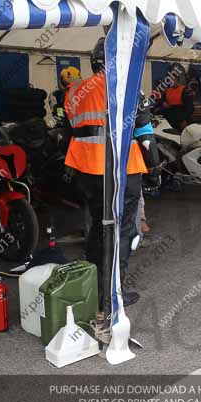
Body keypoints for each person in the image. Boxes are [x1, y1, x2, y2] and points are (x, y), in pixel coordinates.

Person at [65, 39, 155, 340]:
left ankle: (95, 287)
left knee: (97, 228)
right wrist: (152, 164)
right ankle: (112, 295)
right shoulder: (126, 87)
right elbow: (144, 134)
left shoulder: (76, 90)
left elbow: (74, 126)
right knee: (123, 229)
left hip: (85, 169)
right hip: (121, 169)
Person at [158, 65, 193, 130]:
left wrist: (184, 120)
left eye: (172, 80)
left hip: (180, 116)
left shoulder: (184, 90)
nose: (170, 81)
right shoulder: (168, 90)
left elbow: (190, 108)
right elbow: (161, 100)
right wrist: (163, 102)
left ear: (177, 80)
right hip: (169, 115)